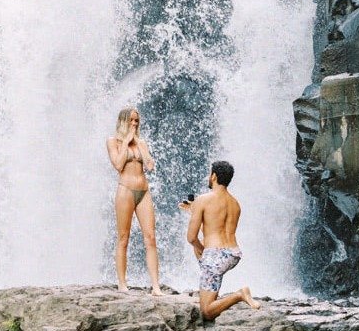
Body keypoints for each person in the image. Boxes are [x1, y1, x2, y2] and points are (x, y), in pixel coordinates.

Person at [181, 160, 262, 320]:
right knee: (206, 259)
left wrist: (203, 251)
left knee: (206, 312)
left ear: (214, 176)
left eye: (209, 173)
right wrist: (193, 211)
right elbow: (215, 229)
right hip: (232, 254)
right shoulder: (235, 204)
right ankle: (211, 294)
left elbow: (191, 237)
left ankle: (240, 294)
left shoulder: (203, 199)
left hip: (216, 256)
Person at [106, 107, 163, 296]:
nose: (134, 124)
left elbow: (150, 165)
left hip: (143, 191)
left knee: (151, 237)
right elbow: (118, 164)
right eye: (130, 120)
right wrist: (126, 142)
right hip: (125, 190)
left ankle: (155, 286)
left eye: (136, 121)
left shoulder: (141, 142)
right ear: (122, 121)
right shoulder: (113, 141)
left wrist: (138, 143)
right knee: (124, 237)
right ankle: (122, 283)